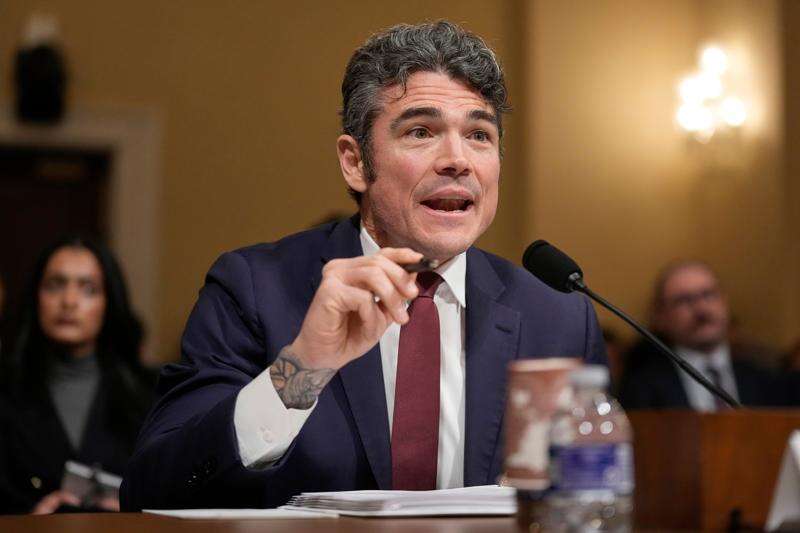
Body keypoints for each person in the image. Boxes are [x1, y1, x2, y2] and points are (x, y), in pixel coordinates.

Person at [121, 21, 606, 511]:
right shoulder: (254, 289)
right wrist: (303, 367)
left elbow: (596, 500)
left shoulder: (558, 317)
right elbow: (151, 491)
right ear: (355, 163)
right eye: (421, 132)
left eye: (479, 134)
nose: (457, 160)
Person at [0, 236, 154, 514]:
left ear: (109, 302)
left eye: (88, 289)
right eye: (55, 285)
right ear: (36, 297)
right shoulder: (6, 389)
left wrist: (134, 511)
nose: (69, 301)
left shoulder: (150, 392)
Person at [618, 260, 784, 410]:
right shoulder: (641, 388)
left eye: (708, 294)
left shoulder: (767, 376)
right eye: (684, 300)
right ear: (661, 316)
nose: (701, 309)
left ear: (725, 301)